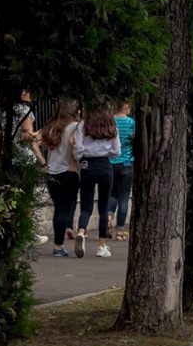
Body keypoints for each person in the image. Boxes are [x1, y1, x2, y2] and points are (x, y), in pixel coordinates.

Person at [74, 103, 122, 257]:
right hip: (104, 165)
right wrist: (105, 150)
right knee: (103, 206)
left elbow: (78, 149)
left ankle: (81, 231)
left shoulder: (83, 124)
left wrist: (82, 156)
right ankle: (102, 246)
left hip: (87, 165)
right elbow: (117, 151)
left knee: (86, 205)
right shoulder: (111, 125)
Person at [39, 104, 82, 257]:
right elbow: (78, 148)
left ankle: (59, 244)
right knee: (64, 210)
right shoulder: (75, 127)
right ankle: (58, 245)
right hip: (68, 172)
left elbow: (35, 142)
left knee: (58, 208)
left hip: (51, 172)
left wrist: (43, 162)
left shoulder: (50, 127)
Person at [109, 100, 136, 238]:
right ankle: (120, 231)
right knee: (124, 198)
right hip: (127, 162)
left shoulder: (110, 121)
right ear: (127, 107)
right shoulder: (131, 123)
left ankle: (108, 218)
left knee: (112, 194)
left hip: (111, 161)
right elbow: (134, 140)